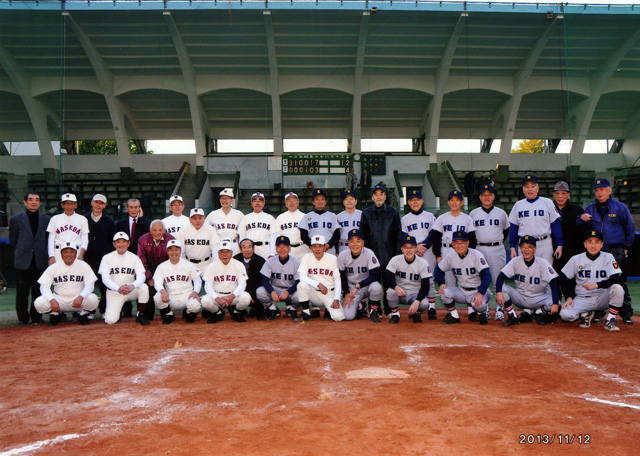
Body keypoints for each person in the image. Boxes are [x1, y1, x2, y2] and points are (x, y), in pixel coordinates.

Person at [577, 178, 635, 325]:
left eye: (602, 189)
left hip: (616, 249)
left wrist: (626, 246)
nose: (599, 192)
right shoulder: (591, 208)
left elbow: (630, 227)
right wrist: (581, 218)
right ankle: (599, 313)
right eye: (597, 190)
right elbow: (580, 225)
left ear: (609, 190)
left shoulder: (620, 207)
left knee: (620, 281)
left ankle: (626, 313)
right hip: (599, 250)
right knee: (600, 279)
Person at [559, 230, 625, 332]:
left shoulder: (608, 257)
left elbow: (615, 278)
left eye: (597, 242)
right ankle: (586, 313)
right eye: (590, 241)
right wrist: (569, 297)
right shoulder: (576, 259)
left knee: (618, 289)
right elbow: (565, 278)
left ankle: (610, 319)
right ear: (585, 244)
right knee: (565, 315)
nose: (593, 245)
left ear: (602, 244)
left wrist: (597, 285)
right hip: (583, 298)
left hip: (603, 297)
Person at [496, 235, 560, 327]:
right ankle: (512, 315)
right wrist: (498, 292)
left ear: (535, 249)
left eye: (529, 247)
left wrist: (554, 303)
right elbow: (501, 277)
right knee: (501, 288)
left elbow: (553, 282)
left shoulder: (543, 263)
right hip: (520, 297)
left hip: (538, 298)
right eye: (523, 247)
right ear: (520, 249)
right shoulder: (515, 261)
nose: (526, 250)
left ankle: (539, 312)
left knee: (555, 302)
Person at [34, 241, 99, 326]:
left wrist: (81, 296)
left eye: (72, 252)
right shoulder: (54, 267)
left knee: (93, 299)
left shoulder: (83, 265)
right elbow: (44, 286)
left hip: (78, 299)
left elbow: (90, 285)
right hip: (59, 300)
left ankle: (82, 315)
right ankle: (55, 315)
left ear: (76, 254)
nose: (68, 255)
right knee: (39, 302)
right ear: (61, 254)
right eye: (65, 252)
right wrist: (52, 300)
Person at [359, 185, 402, 314]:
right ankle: (374, 310)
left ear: (385, 197)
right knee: (374, 284)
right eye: (376, 194)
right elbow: (363, 236)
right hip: (373, 256)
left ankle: (389, 309)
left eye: (381, 194)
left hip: (390, 255)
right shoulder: (366, 213)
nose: (378, 196)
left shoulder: (393, 212)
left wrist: (397, 255)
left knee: (389, 283)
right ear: (372, 197)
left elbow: (398, 235)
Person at [434, 231, 492, 325]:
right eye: (456, 243)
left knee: (480, 306)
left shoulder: (476, 255)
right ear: (452, 244)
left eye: (462, 243)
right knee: (444, 292)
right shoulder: (450, 257)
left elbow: (486, 275)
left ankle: (482, 313)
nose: (459, 245)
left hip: (478, 291)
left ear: (468, 243)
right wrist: (441, 283)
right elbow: (438, 270)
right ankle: (454, 316)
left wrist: (480, 293)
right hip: (462, 291)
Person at [9, 191, 50, 325]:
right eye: (31, 199)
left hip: (40, 260)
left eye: (36, 200)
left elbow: (47, 240)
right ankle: (22, 318)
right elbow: (13, 240)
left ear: (40, 203)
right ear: (25, 202)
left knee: (38, 291)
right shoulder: (16, 219)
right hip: (23, 260)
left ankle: (37, 316)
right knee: (22, 292)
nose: (34, 202)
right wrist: (20, 253)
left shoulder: (46, 219)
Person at [469, 184, 509, 320]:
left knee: (499, 279)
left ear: (493, 196)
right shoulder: (473, 213)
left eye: (489, 194)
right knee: (480, 279)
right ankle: (483, 308)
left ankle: (499, 308)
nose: (487, 197)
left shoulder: (501, 213)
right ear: (480, 197)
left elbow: (506, 230)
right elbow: (471, 234)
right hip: (479, 248)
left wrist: (495, 240)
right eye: (484, 195)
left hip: (497, 248)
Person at [426, 190, 476, 288]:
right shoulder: (442, 218)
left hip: (463, 251)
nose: (454, 202)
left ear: (462, 203)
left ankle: (468, 302)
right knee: (449, 282)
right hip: (446, 250)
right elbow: (436, 238)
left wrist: (469, 254)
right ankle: (451, 303)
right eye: (452, 200)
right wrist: (437, 255)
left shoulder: (467, 219)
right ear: (448, 202)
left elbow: (472, 239)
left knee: (466, 281)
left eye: (457, 200)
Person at [508, 174, 562, 265]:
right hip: (524, 245)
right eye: (527, 186)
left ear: (538, 188)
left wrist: (559, 244)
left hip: (544, 244)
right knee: (524, 274)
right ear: (523, 189)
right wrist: (512, 247)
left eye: (533, 186)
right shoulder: (518, 205)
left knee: (545, 274)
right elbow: (514, 228)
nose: (530, 189)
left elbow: (555, 225)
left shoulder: (547, 202)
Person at [99, 232, 150, 326]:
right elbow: (105, 278)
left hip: (130, 290)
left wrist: (132, 285)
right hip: (115, 292)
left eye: (124, 242)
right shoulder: (107, 258)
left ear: (128, 244)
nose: (121, 244)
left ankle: (140, 314)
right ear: (114, 244)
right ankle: (119, 312)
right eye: (118, 242)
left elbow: (142, 276)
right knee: (110, 321)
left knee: (143, 287)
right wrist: (117, 288)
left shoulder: (134, 258)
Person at [401, 189, 437, 319]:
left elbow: (433, 233)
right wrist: (416, 248)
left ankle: (432, 307)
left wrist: (424, 246)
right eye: (412, 200)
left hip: (427, 250)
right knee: (415, 279)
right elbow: (404, 236)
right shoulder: (405, 219)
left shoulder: (430, 216)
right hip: (412, 250)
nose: (415, 202)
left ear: (422, 201)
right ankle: (416, 306)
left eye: (417, 200)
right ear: (408, 203)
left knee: (430, 278)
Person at [384, 234, 433, 324]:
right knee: (390, 292)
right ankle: (395, 314)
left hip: (415, 293)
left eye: (411, 247)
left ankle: (416, 312)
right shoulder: (395, 260)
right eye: (406, 247)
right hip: (400, 292)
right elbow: (387, 278)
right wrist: (396, 287)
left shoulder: (423, 263)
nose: (409, 250)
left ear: (415, 249)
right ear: (402, 249)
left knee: (424, 303)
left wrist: (417, 301)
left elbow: (425, 286)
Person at [296, 235, 345, 322]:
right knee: (301, 285)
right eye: (314, 246)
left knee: (338, 317)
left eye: (320, 246)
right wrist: (318, 284)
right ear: (311, 247)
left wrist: (337, 299)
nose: (317, 249)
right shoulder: (307, 257)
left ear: (325, 247)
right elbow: (302, 276)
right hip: (314, 293)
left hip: (329, 293)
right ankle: (306, 313)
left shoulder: (333, 258)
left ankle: (328, 310)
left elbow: (337, 279)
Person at [152, 240, 202, 324]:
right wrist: (163, 291)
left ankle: (188, 313)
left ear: (180, 251)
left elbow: (198, 281)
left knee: (195, 305)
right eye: (171, 249)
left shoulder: (188, 265)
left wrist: (195, 292)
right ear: (167, 252)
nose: (174, 252)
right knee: (157, 296)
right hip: (170, 297)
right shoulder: (162, 266)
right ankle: (169, 314)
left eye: (176, 249)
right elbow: (157, 282)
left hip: (187, 295)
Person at [337, 229, 382, 322]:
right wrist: (346, 293)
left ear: (363, 243)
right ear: (348, 243)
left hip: (366, 286)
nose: (355, 244)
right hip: (352, 289)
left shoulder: (369, 253)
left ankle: (374, 311)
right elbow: (341, 276)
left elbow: (375, 275)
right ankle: (360, 306)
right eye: (352, 241)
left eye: (358, 241)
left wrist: (358, 286)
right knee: (347, 316)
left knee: (376, 287)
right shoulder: (343, 255)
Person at [201, 239, 251, 323]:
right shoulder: (212, 266)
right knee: (205, 301)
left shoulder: (238, 264)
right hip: (217, 295)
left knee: (246, 297)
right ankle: (218, 313)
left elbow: (242, 284)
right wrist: (217, 299)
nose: (224, 255)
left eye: (227, 252)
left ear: (231, 253)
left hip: (233, 296)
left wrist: (231, 296)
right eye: (222, 252)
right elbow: (208, 286)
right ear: (218, 253)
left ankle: (236, 312)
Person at [551, 181, 585, 301]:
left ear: (568, 195)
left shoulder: (577, 211)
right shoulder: (547, 209)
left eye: (563, 193)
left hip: (572, 252)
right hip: (552, 251)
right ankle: (554, 305)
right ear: (554, 195)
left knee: (571, 281)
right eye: (557, 193)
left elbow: (583, 232)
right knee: (553, 279)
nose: (560, 196)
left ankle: (571, 305)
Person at [84, 194, 116, 316]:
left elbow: (112, 241)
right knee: (88, 285)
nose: (98, 205)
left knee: (104, 286)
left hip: (104, 259)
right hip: (87, 258)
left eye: (101, 203)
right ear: (92, 203)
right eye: (96, 202)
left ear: (105, 206)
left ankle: (104, 310)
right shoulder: (83, 219)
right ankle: (88, 310)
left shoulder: (109, 221)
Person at [137, 220, 175, 321]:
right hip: (148, 268)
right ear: (150, 230)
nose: (157, 233)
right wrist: (149, 277)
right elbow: (141, 260)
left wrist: (164, 277)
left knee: (165, 288)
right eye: (154, 230)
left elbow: (172, 258)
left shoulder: (171, 239)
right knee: (149, 288)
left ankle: (166, 313)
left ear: (164, 231)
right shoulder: (142, 240)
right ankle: (147, 314)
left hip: (165, 269)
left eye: (160, 230)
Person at [256, 235, 301, 321]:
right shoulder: (270, 261)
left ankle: (292, 309)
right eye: (279, 247)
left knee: (301, 293)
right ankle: (272, 309)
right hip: (275, 289)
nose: (282, 249)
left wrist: (288, 292)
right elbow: (264, 280)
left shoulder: (296, 262)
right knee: (260, 291)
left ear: (289, 248)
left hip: (290, 291)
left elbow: (298, 281)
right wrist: (272, 291)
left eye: (284, 247)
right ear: (276, 249)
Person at [46, 193, 89, 265]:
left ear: (76, 205)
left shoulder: (82, 219)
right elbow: (51, 239)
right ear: (62, 205)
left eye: (71, 204)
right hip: (58, 252)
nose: (69, 206)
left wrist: (81, 254)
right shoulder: (55, 219)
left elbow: (85, 239)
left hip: (76, 251)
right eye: (66, 204)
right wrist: (51, 256)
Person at [176, 208, 220, 274]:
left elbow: (215, 251)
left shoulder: (210, 230)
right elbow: (180, 250)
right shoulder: (183, 230)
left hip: (206, 264)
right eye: (194, 218)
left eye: (200, 218)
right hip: (188, 262)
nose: (197, 221)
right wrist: (181, 265)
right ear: (190, 219)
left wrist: (215, 266)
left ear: (204, 218)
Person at [299, 189, 340, 255]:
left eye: (322, 199)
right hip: (312, 251)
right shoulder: (307, 216)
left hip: (329, 251)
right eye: (317, 199)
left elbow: (337, 235)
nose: (320, 201)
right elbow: (303, 236)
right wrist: (313, 246)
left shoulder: (332, 216)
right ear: (313, 202)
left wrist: (328, 245)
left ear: (326, 201)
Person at [234, 238, 267, 319]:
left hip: (254, 292)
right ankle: (239, 310)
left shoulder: (260, 261)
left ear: (253, 248)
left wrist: (251, 296)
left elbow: (262, 281)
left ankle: (257, 308)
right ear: (240, 249)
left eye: (249, 247)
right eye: (244, 247)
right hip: (239, 290)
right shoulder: (235, 260)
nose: (247, 250)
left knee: (261, 292)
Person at [205, 189, 244, 256]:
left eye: (227, 198)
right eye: (222, 198)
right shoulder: (213, 214)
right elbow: (205, 228)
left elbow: (245, 229)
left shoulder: (239, 214)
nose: (224, 201)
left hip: (233, 245)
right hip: (218, 244)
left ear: (232, 200)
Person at [238, 192, 276, 259]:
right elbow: (242, 237)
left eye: (260, 201)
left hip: (265, 249)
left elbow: (273, 237)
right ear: (251, 203)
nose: (257, 203)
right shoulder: (245, 218)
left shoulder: (270, 218)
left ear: (264, 203)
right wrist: (244, 251)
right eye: (255, 201)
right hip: (250, 250)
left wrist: (272, 253)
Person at [273, 192, 308, 260]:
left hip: (302, 249)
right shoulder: (280, 217)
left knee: (302, 270)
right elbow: (276, 235)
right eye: (289, 201)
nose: (291, 203)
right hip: (287, 250)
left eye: (294, 201)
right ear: (286, 204)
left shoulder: (304, 216)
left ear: (298, 203)